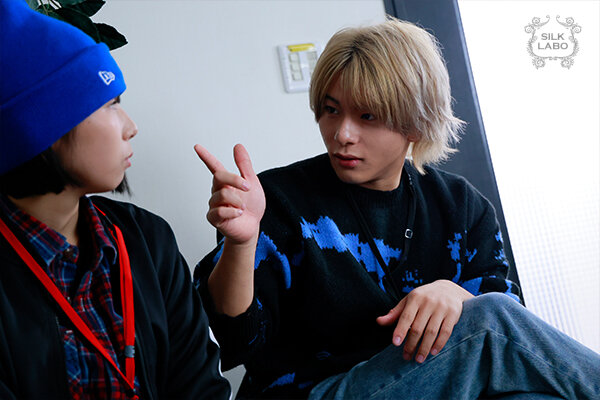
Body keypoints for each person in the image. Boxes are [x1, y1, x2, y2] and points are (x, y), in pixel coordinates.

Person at [193, 17, 600, 399]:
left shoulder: (461, 205)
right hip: (311, 392)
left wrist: (454, 294)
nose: (342, 134)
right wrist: (241, 244)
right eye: (332, 110)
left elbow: (513, 350)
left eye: (367, 116)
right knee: (491, 317)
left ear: (417, 123)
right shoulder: (277, 199)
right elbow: (235, 339)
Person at [0, 1, 230, 399]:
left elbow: (201, 386)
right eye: (111, 104)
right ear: (41, 128)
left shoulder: (149, 240)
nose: (131, 127)